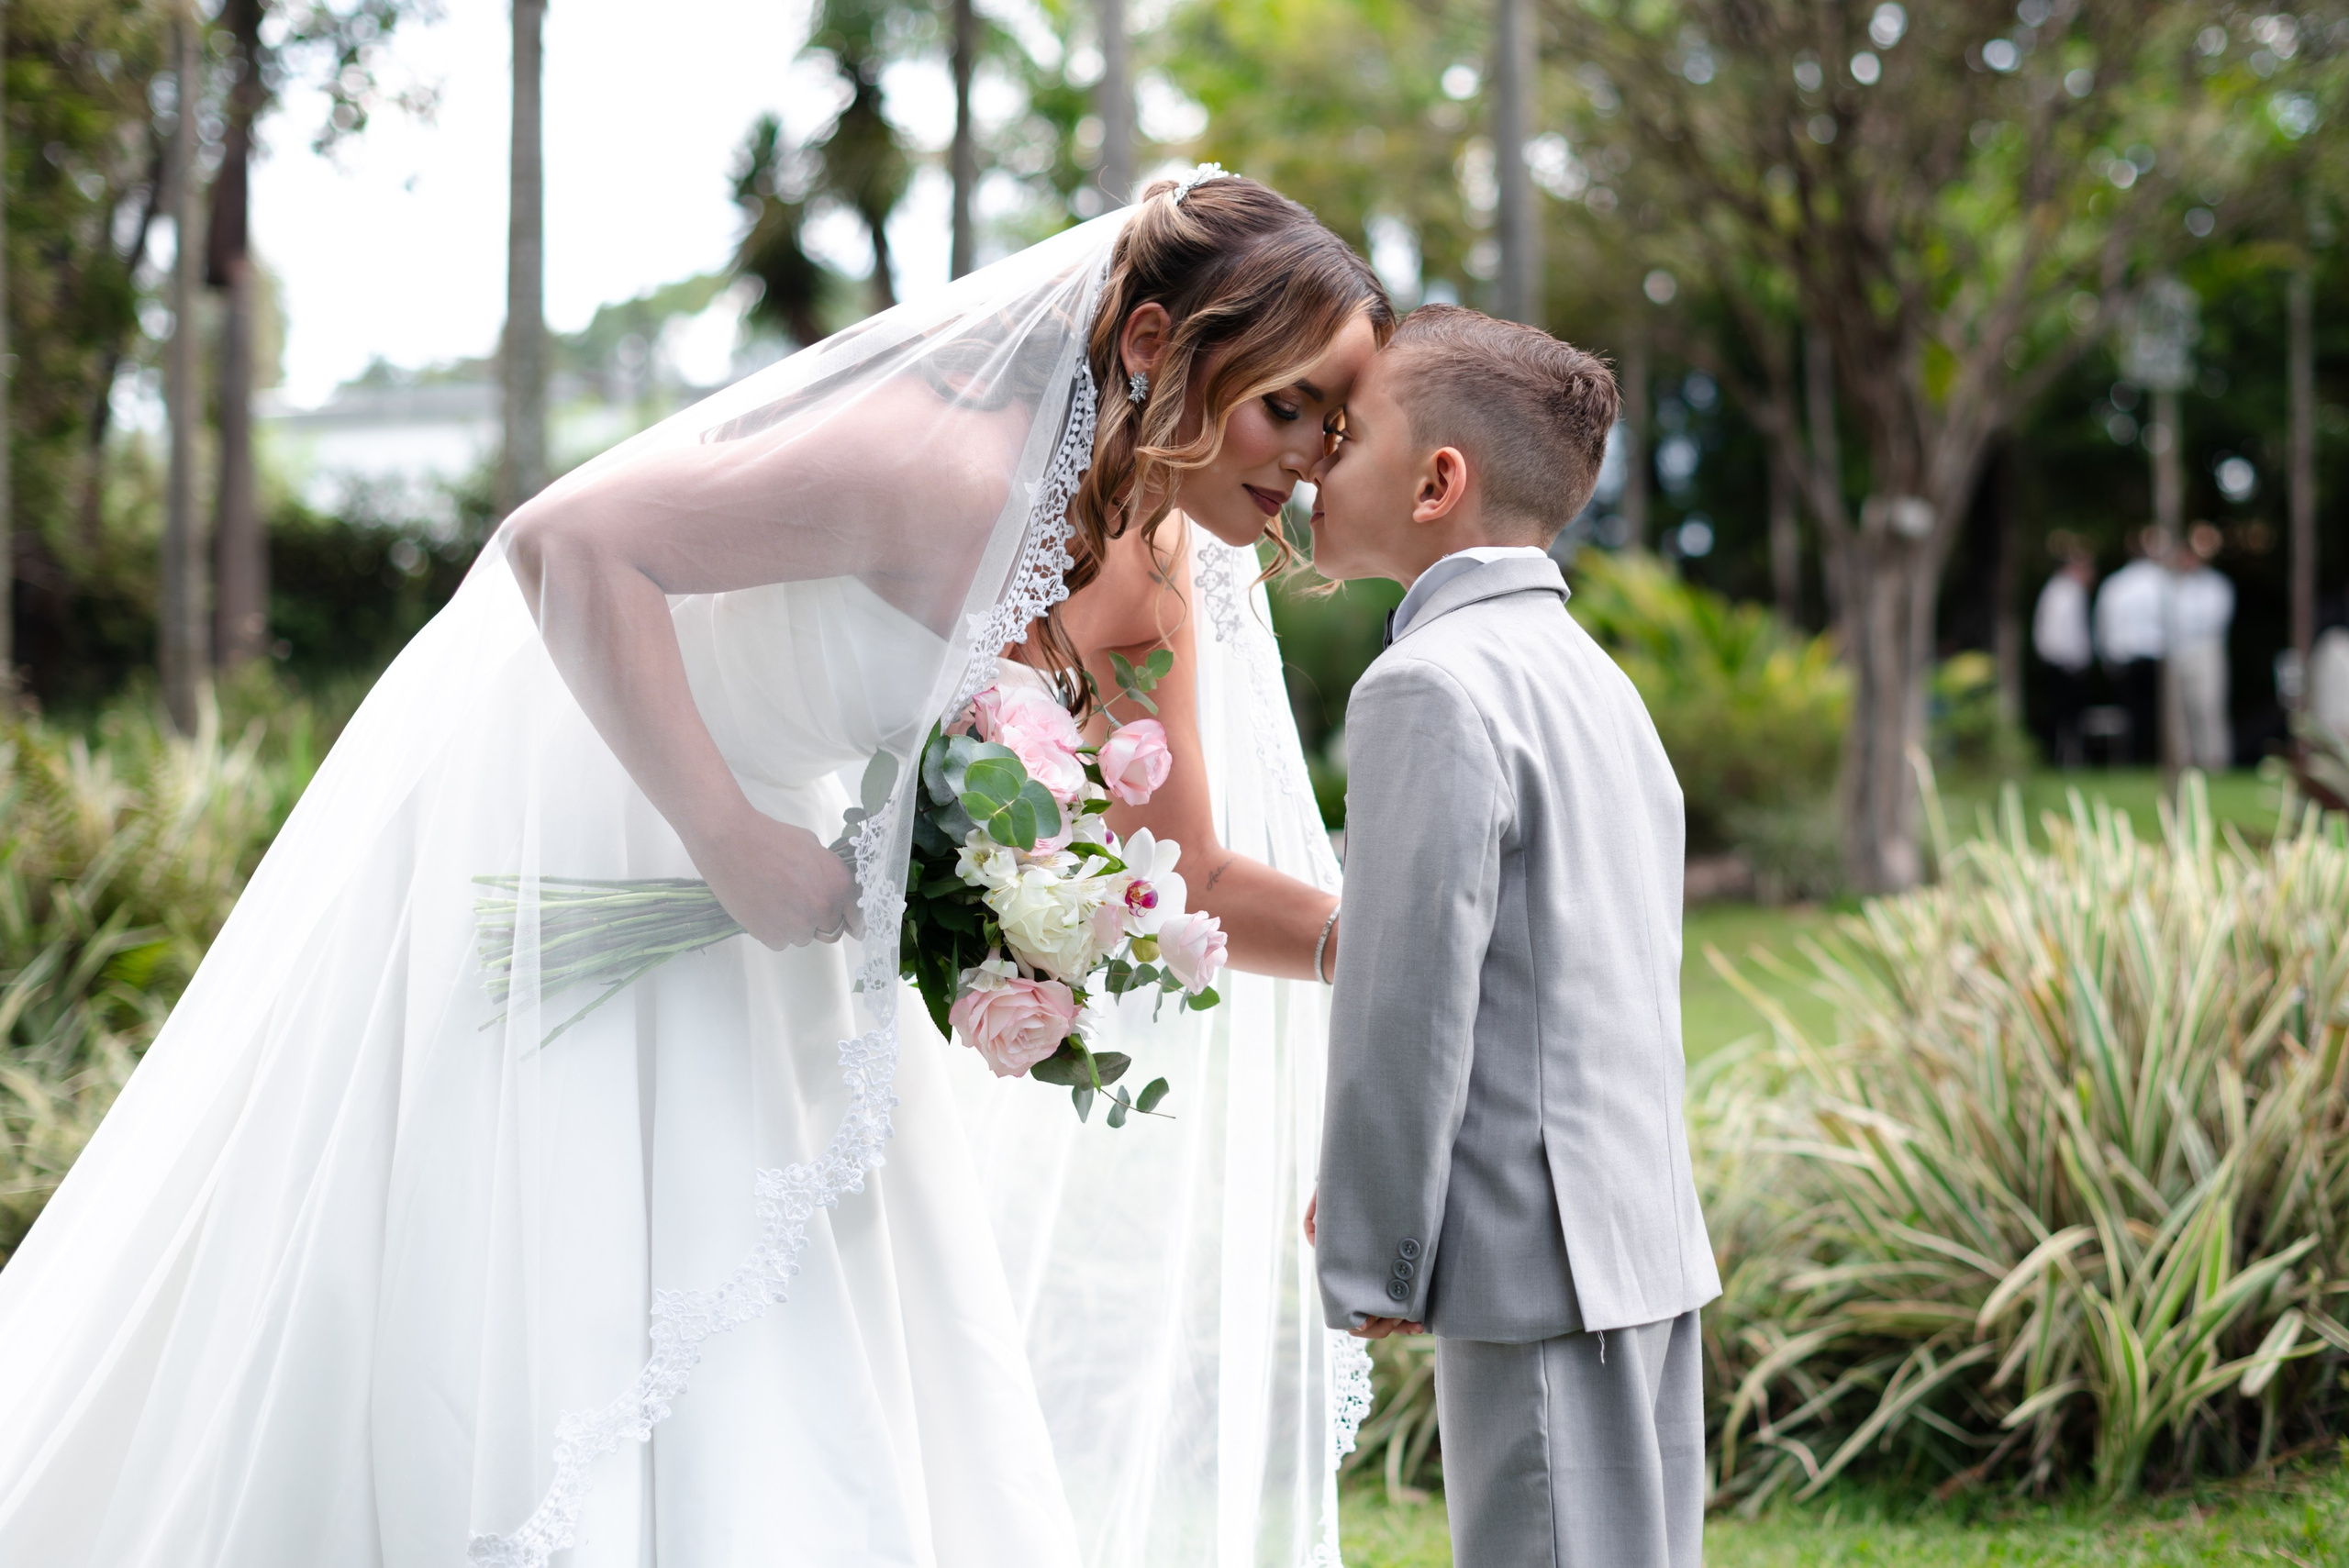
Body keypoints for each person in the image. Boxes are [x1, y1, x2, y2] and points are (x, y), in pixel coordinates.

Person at [0, 172, 1392, 1568]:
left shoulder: (1150, 574)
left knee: (822, 1334)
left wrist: (1392, 943)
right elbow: (567, 544)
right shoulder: (937, 466)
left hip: (789, 935)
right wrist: (730, 840)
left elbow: (1193, 873)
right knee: (586, 1312)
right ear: (1154, 344)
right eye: (1288, 404)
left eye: (1334, 424)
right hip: (628, 840)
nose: (1314, 459)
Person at [1303, 306, 1718, 1568]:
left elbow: (1408, 997)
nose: (1315, 454)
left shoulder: (1428, 685)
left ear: (1438, 481)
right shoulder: (1595, 678)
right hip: (1637, 1238)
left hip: (1532, 1255)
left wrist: (1374, 1253)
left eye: (1346, 430)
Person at [2095, 528, 2170, 765]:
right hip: (2155, 657)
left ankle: (2133, 759)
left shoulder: (2115, 584)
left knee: (2131, 713)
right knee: (2155, 714)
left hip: (2124, 659)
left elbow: (2103, 624)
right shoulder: (2163, 580)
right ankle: (2153, 757)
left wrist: (2107, 656)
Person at [2169, 524, 2235, 773]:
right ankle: (2184, 760)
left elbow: (2213, 619)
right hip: (2177, 651)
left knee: (2207, 706)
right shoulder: (2172, 585)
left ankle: (2214, 759)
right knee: (2178, 710)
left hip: (2206, 650)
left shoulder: (2216, 585)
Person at [2032, 543, 2096, 767]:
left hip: (2061, 662)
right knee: (2065, 716)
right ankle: (2065, 759)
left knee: (2065, 716)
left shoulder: (2058, 590)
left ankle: (2067, 758)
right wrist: (2075, 662)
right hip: (2064, 664)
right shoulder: (2066, 592)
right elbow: (2065, 634)